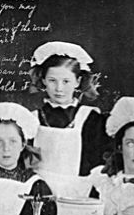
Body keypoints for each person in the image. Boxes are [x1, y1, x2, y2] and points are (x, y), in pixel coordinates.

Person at [29, 41, 107, 198]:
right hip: (41, 192)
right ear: (43, 80)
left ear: (77, 82)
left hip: (77, 194)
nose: (59, 88)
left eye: (66, 81)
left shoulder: (91, 119)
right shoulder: (32, 118)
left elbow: (97, 165)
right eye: (52, 80)